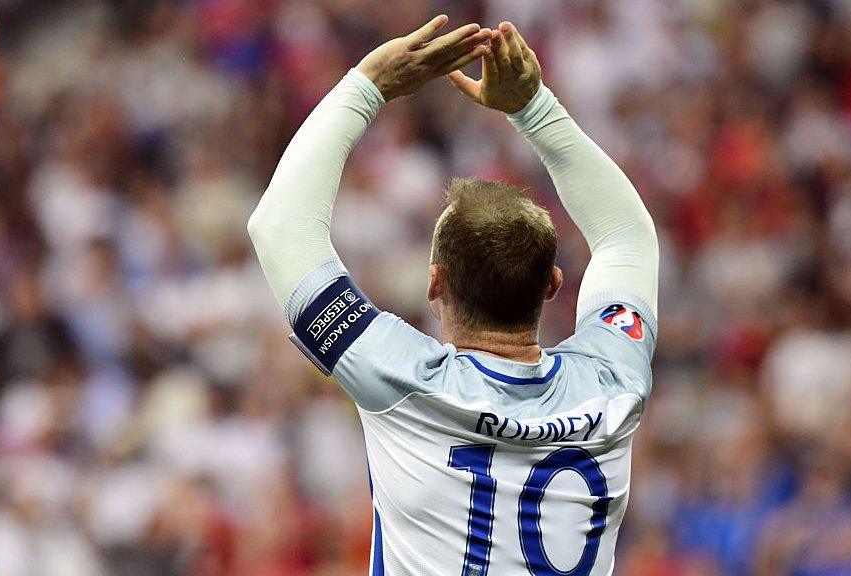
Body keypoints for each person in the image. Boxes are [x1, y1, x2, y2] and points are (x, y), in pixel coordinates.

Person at [248, 15, 658, 576]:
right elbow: (625, 235)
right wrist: (533, 107)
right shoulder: (614, 384)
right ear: (554, 287)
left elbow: (279, 226)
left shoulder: (400, 379)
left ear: (435, 282)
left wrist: (367, 84)